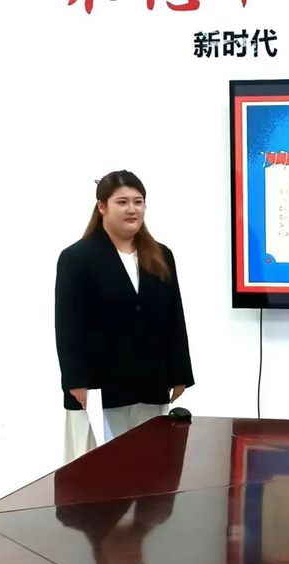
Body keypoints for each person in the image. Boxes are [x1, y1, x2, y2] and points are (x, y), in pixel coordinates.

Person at [55, 170, 194, 461]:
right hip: (98, 388)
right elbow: (68, 326)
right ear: (102, 207)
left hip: (150, 383)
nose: (132, 209)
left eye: (138, 201)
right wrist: (76, 381)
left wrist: (180, 373)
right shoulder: (76, 258)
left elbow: (174, 316)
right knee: (98, 472)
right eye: (122, 202)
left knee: (150, 468)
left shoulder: (161, 255)